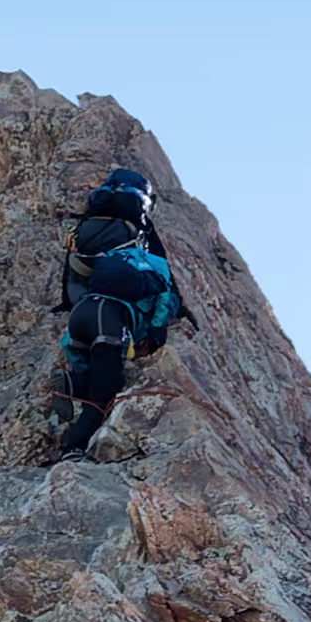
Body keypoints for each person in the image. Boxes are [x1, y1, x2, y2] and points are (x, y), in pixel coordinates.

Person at [52, 166, 189, 454]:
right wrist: (157, 331)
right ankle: (74, 449)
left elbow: (71, 345)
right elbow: (166, 296)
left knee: (97, 378)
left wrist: (77, 369)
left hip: (82, 314)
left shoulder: (92, 236)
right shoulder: (150, 261)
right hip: (110, 322)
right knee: (107, 393)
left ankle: (71, 384)